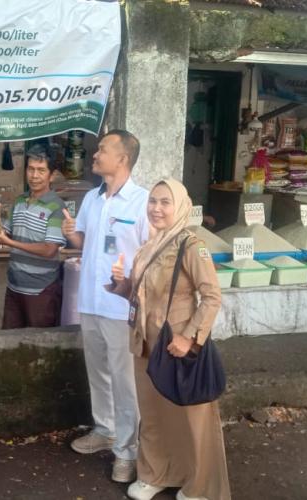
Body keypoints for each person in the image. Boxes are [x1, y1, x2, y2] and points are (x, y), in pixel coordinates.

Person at [109, 179, 230, 500]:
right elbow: (142, 296)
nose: (156, 208)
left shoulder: (191, 246)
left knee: (190, 418)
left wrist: (189, 338)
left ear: (181, 207)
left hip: (177, 347)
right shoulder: (149, 245)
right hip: (145, 344)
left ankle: (200, 486)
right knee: (152, 414)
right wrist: (122, 284)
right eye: (152, 201)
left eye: (165, 202)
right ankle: (155, 474)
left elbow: (212, 297)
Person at [61, 129, 150, 483]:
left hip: (121, 306)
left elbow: (150, 255)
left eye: (102, 150)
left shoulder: (143, 202)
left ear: (122, 158)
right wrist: (71, 232)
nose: (95, 155)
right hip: (91, 300)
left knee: (124, 381)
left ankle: (127, 451)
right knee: (97, 371)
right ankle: (105, 430)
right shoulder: (92, 198)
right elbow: (84, 242)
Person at [0, 144, 66, 329]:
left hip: (41, 290)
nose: (34, 176)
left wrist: (10, 242)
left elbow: (49, 250)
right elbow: (6, 234)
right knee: (10, 340)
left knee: (39, 342)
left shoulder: (56, 206)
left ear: (52, 175)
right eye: (31, 169)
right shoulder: (19, 201)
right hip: (14, 286)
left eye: (41, 170)